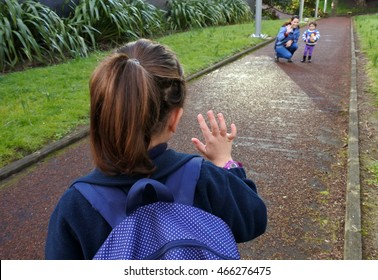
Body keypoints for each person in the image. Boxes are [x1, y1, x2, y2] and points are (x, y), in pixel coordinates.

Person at [45, 38, 268, 260]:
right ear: (175, 118)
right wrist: (224, 162)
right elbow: (253, 219)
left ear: (103, 115)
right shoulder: (204, 179)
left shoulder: (75, 206)